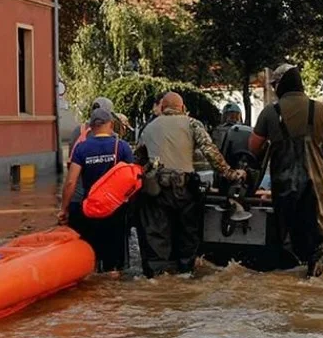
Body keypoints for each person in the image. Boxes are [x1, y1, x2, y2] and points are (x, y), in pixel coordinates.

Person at [135, 92, 246, 277]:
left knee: (156, 239)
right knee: (187, 236)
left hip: (155, 191)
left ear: (162, 108)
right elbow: (211, 152)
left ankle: (157, 278)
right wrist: (230, 174)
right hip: (185, 190)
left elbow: (138, 159)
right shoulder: (192, 123)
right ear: (183, 108)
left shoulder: (149, 128)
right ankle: (185, 274)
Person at [249, 64, 323, 277]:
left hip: (283, 183)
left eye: (274, 85)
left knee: (288, 237)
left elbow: (253, 147)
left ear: (281, 84)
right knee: (318, 239)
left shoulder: (270, 112)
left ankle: (289, 284)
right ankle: (315, 279)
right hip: (315, 184)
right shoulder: (321, 109)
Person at [59, 108, 135, 273]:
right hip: (116, 210)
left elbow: (71, 181)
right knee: (114, 264)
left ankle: (94, 288)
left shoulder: (82, 148)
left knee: (91, 257)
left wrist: (64, 209)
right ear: (111, 125)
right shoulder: (121, 147)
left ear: (91, 127)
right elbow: (133, 179)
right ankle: (112, 286)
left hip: (91, 209)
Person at [66, 97, 131, 241]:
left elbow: (71, 178)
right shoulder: (118, 143)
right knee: (112, 245)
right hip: (110, 202)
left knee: (85, 244)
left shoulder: (79, 132)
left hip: (81, 200)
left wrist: (64, 208)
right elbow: (129, 177)